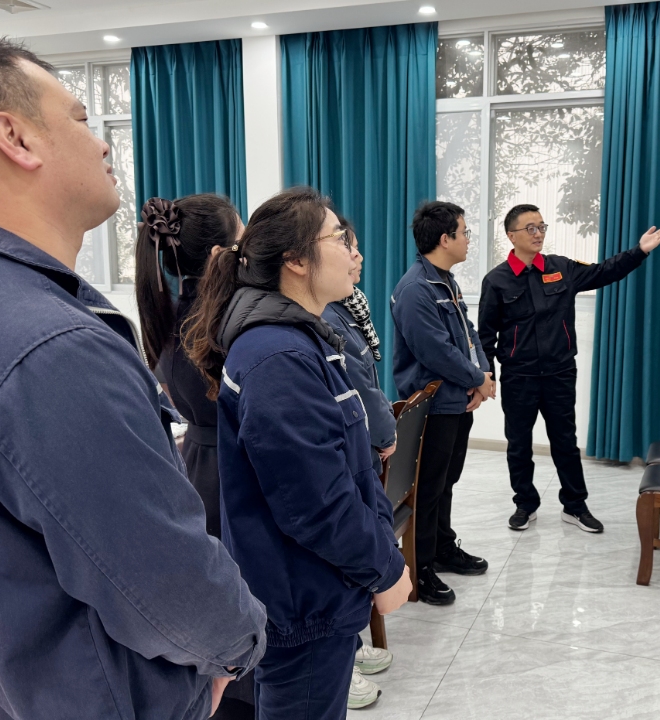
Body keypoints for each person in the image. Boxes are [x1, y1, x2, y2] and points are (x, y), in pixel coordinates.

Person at [0, 39, 265, 720]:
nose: (101, 144)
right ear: (14, 137)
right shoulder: (51, 348)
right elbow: (167, 581)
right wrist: (238, 646)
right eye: (81, 118)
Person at [183, 187, 413, 720]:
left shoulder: (301, 339)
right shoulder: (278, 356)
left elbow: (350, 470)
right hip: (304, 603)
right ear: (295, 259)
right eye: (340, 238)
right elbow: (317, 503)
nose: (354, 250)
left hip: (317, 590)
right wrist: (384, 568)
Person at [134, 193, 259, 720]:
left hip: (199, 467)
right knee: (245, 597)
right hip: (233, 469)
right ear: (217, 256)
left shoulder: (166, 318)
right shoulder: (222, 326)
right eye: (242, 239)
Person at [478, 204, 660, 533]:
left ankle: (575, 505)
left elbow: (604, 271)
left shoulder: (562, 268)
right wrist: (487, 374)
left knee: (565, 442)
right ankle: (525, 504)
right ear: (511, 236)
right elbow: (485, 334)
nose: (538, 234)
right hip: (520, 377)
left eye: (542, 227)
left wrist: (639, 252)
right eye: (530, 228)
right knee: (519, 444)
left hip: (559, 373)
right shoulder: (496, 280)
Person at [391, 200, 494, 606]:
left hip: (457, 400)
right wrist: (477, 379)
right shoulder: (416, 289)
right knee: (427, 489)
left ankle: (443, 547)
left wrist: (483, 375)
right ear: (445, 238)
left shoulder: (444, 281)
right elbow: (435, 351)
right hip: (432, 406)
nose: (468, 239)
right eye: (464, 232)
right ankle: (420, 567)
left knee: (446, 481)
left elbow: (469, 334)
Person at [321, 214, 399, 710]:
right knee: (339, 559)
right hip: (355, 443)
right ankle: (341, 661)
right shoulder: (324, 319)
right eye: (346, 246)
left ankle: (348, 648)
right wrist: (384, 431)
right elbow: (359, 389)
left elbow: (368, 379)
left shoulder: (348, 307)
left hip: (361, 440)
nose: (358, 257)